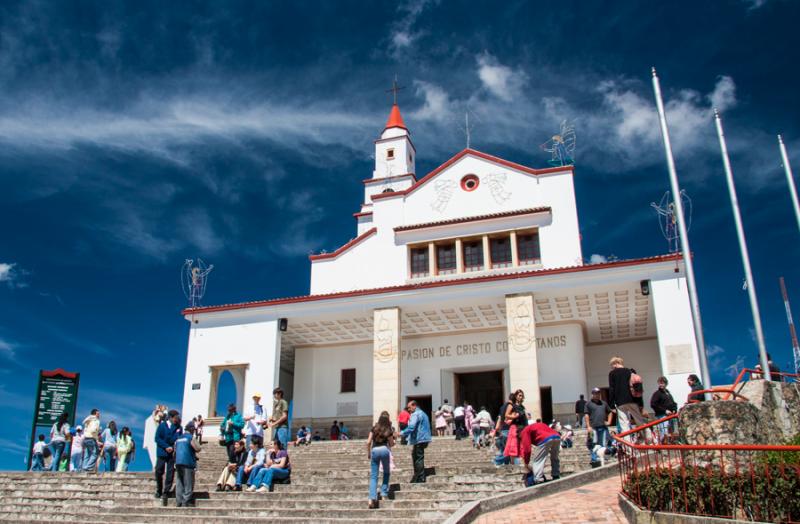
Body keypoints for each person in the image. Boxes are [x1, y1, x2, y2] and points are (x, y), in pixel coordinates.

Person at [608, 357, 646, 434]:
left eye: (611, 365)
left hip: (620, 403)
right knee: (639, 421)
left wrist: (611, 405)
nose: (612, 367)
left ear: (615, 363)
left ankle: (628, 445)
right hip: (632, 401)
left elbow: (612, 390)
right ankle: (648, 442)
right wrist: (640, 404)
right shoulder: (629, 372)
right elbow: (637, 387)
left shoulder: (612, 374)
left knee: (624, 425)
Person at [366, 411, 395, 509]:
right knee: (386, 473)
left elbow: (368, 442)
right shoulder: (388, 429)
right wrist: (393, 442)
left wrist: (369, 453)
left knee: (374, 476)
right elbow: (391, 444)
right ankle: (383, 493)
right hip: (384, 450)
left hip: (374, 450)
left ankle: (371, 498)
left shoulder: (374, 428)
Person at [519, 420, 561, 485]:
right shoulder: (534, 426)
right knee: (554, 457)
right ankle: (556, 475)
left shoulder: (524, 432)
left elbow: (527, 449)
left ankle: (538, 479)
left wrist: (526, 463)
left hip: (544, 438)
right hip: (557, 436)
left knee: (538, 460)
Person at [400, 400, 432, 483]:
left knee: (418, 458)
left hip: (419, 438)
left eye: (409, 408)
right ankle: (417, 476)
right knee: (417, 455)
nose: (408, 410)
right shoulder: (423, 413)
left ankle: (420, 477)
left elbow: (411, 427)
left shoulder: (415, 414)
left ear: (414, 406)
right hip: (425, 438)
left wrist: (401, 433)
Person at [155, 410, 182, 506]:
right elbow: (157, 438)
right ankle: (159, 489)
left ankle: (166, 491)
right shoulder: (162, 426)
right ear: (171, 417)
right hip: (162, 452)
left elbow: (178, 437)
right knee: (159, 471)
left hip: (171, 453)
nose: (177, 419)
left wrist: (172, 446)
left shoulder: (179, 427)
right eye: (175, 417)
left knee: (170, 473)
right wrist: (166, 446)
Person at [175, 421, 201, 507]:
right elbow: (198, 448)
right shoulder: (190, 438)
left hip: (178, 462)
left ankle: (178, 501)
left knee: (179, 482)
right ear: (191, 429)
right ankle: (185, 501)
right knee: (188, 483)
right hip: (188, 462)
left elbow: (175, 450)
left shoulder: (178, 438)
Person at [584, 387, 612, 467]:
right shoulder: (588, 404)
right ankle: (594, 459)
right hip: (593, 428)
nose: (597, 395)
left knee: (603, 443)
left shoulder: (604, 403)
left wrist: (609, 421)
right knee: (593, 443)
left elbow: (610, 412)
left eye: (598, 393)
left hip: (603, 427)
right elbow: (586, 415)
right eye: (595, 393)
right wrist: (588, 426)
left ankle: (602, 457)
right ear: (592, 394)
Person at [502, 390, 528, 463]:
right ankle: (513, 464)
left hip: (523, 427)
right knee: (513, 446)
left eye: (522, 396)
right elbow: (506, 415)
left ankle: (523, 464)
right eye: (519, 395)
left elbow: (525, 417)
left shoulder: (522, 407)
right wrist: (514, 417)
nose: (521, 397)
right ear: (516, 396)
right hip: (515, 428)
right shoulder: (512, 405)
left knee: (522, 446)